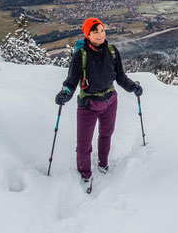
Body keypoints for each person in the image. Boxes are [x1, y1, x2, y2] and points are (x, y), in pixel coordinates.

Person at [55, 17, 143, 185]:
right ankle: (85, 174)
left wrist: (133, 87)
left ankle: (103, 163)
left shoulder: (112, 51)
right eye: (95, 32)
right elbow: (71, 82)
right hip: (88, 105)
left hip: (110, 102)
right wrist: (65, 94)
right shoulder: (80, 56)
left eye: (102, 30)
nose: (100, 35)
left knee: (106, 135)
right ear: (87, 34)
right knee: (83, 144)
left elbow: (120, 77)